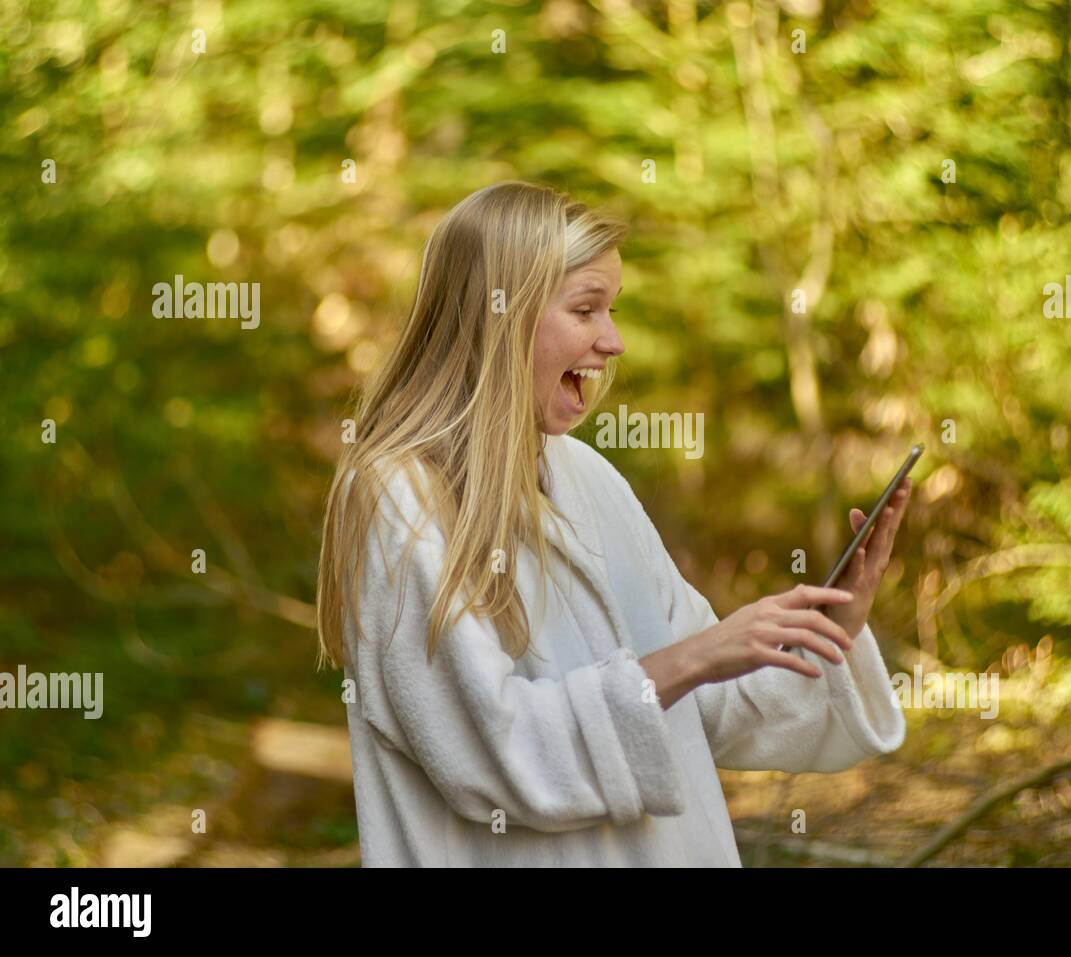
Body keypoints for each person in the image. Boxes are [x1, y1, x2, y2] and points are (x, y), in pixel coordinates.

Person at [315, 180, 911, 866]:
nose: (613, 341)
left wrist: (832, 629)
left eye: (613, 309)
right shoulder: (395, 496)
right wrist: (697, 654)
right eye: (586, 309)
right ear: (497, 314)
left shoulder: (589, 479)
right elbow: (494, 753)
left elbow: (700, 707)